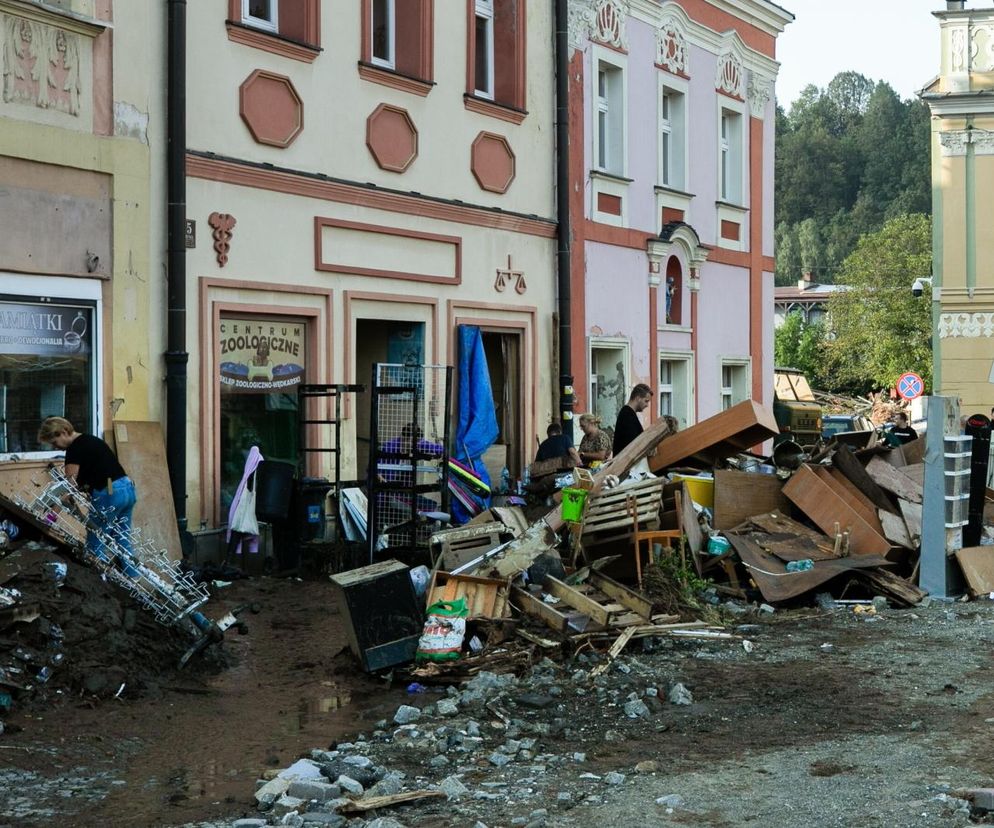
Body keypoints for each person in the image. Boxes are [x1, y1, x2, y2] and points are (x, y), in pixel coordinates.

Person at [37, 416, 137, 564]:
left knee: (95, 544)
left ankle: (101, 583)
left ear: (63, 432)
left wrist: (52, 516)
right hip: (127, 489)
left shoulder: (74, 448)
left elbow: (67, 486)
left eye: (54, 442)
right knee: (122, 540)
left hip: (110, 493)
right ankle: (132, 581)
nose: (55, 447)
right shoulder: (91, 440)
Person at [613, 383, 652, 455]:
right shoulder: (627, 415)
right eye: (646, 401)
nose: (647, 405)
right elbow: (633, 444)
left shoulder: (629, 413)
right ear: (638, 398)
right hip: (624, 463)